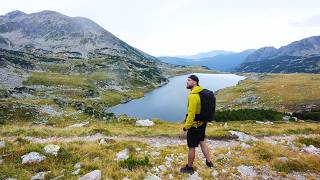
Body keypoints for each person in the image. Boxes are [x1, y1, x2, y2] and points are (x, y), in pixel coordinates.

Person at [180, 74, 214, 174]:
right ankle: (209, 162)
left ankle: (189, 168)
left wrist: (186, 127)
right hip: (202, 123)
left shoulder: (193, 96)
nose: (187, 82)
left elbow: (191, 114)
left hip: (194, 126)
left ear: (194, 82)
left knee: (191, 147)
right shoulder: (201, 92)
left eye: (189, 80)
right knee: (202, 141)